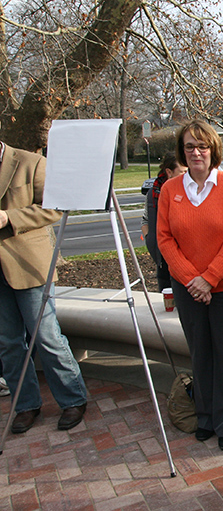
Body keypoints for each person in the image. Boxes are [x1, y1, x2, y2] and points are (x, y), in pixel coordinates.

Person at [157, 120, 223, 451]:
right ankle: (206, 417)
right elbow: (164, 239)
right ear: (182, 152)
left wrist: (209, 278)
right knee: (201, 353)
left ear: (213, 149)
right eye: (189, 147)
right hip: (188, 287)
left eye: (203, 146)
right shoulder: (170, 190)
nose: (196, 153)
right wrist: (191, 280)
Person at [0, 140, 88, 433]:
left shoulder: (30, 162)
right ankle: (25, 405)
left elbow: (56, 207)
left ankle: (73, 398)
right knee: (9, 343)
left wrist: (9, 217)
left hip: (29, 266)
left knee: (46, 336)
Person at [141, 155, 187, 292]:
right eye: (183, 172)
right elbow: (145, 220)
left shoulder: (190, 191)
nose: (187, 175)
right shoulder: (153, 194)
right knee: (169, 301)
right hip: (163, 259)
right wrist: (150, 239)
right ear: (169, 172)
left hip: (187, 257)